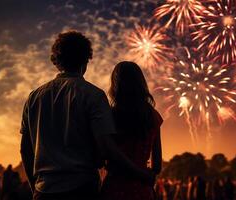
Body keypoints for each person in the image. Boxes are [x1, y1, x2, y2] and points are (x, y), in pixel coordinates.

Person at [20, 31, 154, 200]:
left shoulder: (34, 97)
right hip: (82, 188)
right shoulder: (93, 95)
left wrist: (35, 188)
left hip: (44, 190)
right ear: (86, 60)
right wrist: (140, 173)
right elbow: (106, 147)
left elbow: (26, 150)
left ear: (56, 61)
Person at [101, 61, 163, 200]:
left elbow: (104, 156)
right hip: (142, 189)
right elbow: (157, 165)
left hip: (115, 188)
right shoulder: (153, 116)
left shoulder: (110, 116)